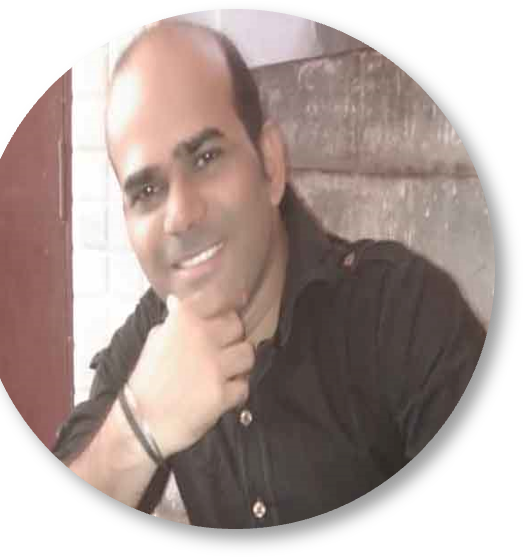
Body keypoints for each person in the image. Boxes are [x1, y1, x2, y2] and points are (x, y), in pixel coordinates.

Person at [53, 21, 486, 528]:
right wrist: (140, 426)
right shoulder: (150, 346)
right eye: (147, 191)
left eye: (206, 157)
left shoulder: (403, 313)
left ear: (271, 164)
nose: (181, 216)